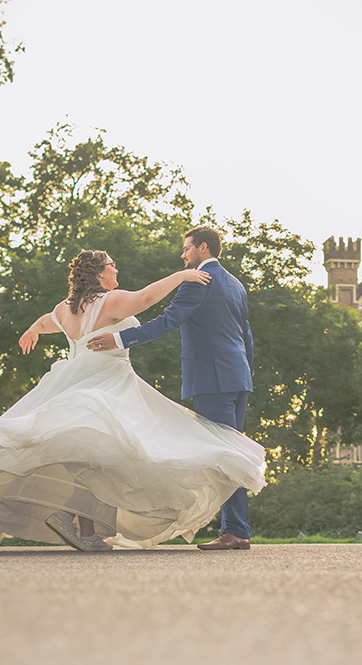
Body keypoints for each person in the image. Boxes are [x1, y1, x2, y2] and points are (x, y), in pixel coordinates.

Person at [0, 249, 267, 551]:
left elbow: (45, 321)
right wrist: (182, 275)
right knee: (122, 450)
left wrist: (32, 330)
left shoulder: (66, 308)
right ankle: (84, 525)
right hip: (108, 380)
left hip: (74, 379)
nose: (117, 269)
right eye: (112, 265)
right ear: (99, 273)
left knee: (85, 452)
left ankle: (84, 527)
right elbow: (144, 299)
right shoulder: (109, 300)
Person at [87, 226, 257, 551]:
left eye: (187, 249)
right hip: (238, 377)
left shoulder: (199, 281)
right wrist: (246, 370)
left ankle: (234, 530)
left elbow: (167, 320)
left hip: (212, 377)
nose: (183, 256)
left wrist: (119, 338)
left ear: (203, 248)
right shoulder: (235, 284)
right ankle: (235, 529)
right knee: (230, 452)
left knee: (225, 455)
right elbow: (245, 333)